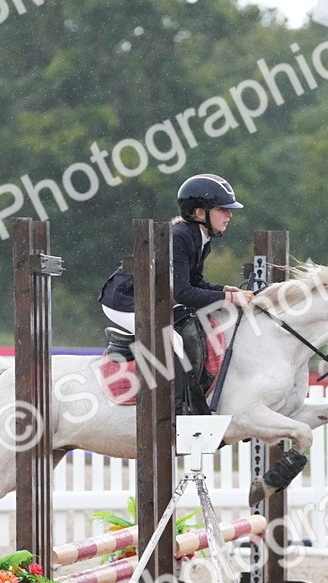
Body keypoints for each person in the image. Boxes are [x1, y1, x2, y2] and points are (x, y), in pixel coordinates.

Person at [99, 173, 254, 412]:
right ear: (200, 213)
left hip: (151, 299)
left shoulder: (201, 237)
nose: (229, 214)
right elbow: (183, 293)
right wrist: (229, 299)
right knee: (175, 341)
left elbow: (195, 281)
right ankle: (179, 410)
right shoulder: (180, 236)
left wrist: (224, 290)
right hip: (124, 301)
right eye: (223, 209)